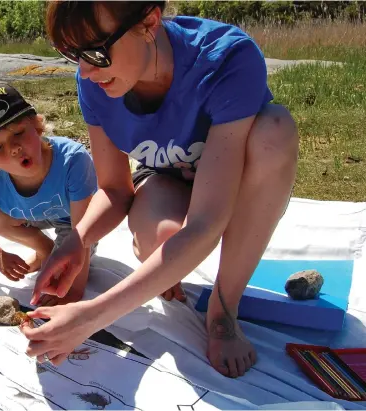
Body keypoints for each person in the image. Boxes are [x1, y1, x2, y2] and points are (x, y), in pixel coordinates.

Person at [25, 1, 299, 378]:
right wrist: (79, 239)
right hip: (166, 177)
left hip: (236, 178)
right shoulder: (94, 84)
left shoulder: (225, 58)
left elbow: (206, 221)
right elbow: (113, 189)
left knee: (275, 130)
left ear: (149, 22)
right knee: (164, 246)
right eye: (72, 54)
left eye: (95, 52)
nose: (86, 71)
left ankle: (224, 310)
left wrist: (92, 316)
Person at [0, 85, 98, 306]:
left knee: (63, 277)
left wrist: (74, 290)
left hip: (79, 223)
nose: (14, 148)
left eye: (18, 133)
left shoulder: (73, 161)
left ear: (37, 125)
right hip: (37, 215)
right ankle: (44, 249)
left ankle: (52, 254)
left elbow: (83, 236)